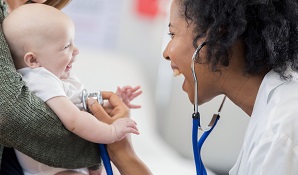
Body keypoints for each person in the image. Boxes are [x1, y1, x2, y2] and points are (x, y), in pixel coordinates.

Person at [86, 0, 298, 174]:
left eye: (172, 34)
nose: (166, 52)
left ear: (218, 37)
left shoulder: (280, 133)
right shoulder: (276, 109)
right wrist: (124, 155)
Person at [2, 3, 142, 175]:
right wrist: (112, 132)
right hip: (50, 170)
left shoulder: (58, 74)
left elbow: (81, 100)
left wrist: (112, 103)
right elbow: (74, 121)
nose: (76, 51)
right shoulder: (39, 80)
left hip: (70, 163)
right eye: (66, 46)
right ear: (33, 60)